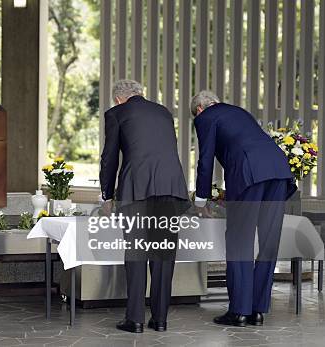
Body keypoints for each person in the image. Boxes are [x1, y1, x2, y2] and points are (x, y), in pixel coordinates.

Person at [191, 90, 297, 327]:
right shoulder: (239, 112)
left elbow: (205, 159)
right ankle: (257, 310)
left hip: (249, 174)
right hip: (279, 171)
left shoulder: (205, 118)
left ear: (199, 109)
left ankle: (239, 311)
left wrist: (201, 199)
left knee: (240, 241)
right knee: (269, 243)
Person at [100, 79, 189, 333]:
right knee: (163, 255)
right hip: (171, 186)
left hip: (136, 188)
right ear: (141, 94)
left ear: (118, 98)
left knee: (137, 252)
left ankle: (135, 319)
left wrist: (107, 194)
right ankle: (160, 319)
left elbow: (110, 157)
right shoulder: (163, 112)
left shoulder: (117, 113)